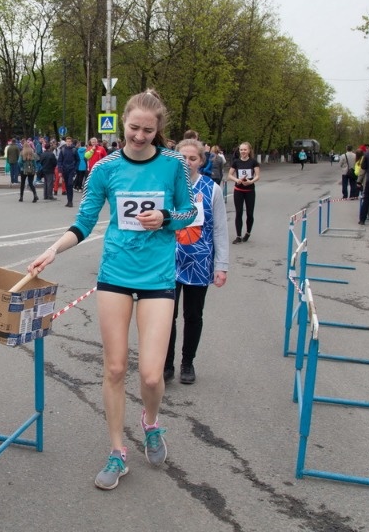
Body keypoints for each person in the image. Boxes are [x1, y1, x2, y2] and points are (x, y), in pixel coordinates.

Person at [28, 89, 199, 491]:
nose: (139, 136)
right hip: (116, 276)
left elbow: (189, 211)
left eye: (148, 130)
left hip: (157, 277)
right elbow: (85, 221)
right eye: (134, 128)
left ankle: (151, 423)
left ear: (159, 131)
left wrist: (167, 218)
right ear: (123, 123)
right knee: (116, 367)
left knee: (152, 376)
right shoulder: (104, 169)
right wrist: (52, 250)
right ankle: (117, 451)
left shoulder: (173, 164)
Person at [164, 139, 229, 385]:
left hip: (199, 263)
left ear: (201, 161)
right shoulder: (167, 187)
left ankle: (187, 362)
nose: (187, 163)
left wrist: (221, 265)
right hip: (168, 261)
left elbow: (220, 230)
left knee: (193, 315)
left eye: (193, 158)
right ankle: (166, 364)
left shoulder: (211, 189)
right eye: (183, 158)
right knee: (166, 314)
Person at [228, 142, 260, 244]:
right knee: (239, 213)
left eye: (245, 150)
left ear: (249, 151)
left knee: (250, 214)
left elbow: (257, 176)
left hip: (250, 190)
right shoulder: (236, 162)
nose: (243, 152)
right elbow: (229, 175)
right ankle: (238, 236)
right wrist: (236, 180)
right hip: (238, 190)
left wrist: (251, 181)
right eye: (241, 150)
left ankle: (248, 232)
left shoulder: (253, 162)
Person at [57, 136, 78, 207]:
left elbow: (78, 160)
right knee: (66, 185)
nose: (68, 143)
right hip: (64, 170)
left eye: (70, 142)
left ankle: (70, 201)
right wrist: (60, 170)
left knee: (70, 184)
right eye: (67, 141)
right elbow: (59, 161)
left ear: (71, 142)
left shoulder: (74, 150)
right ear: (65, 142)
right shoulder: (62, 150)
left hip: (71, 170)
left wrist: (75, 168)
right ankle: (68, 201)